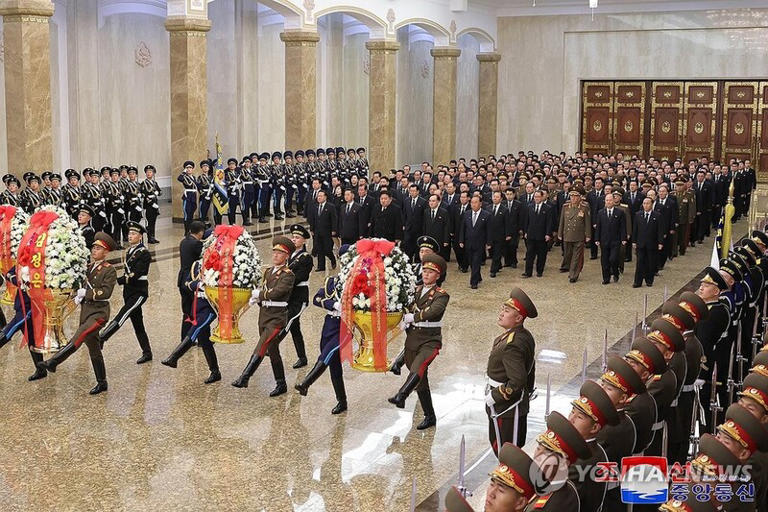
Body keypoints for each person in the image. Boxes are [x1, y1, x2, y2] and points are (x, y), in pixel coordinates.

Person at [39, 233, 118, 395]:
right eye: (94, 247)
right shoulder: (88, 267)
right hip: (86, 313)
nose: (94, 250)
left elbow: (106, 292)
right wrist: (77, 295)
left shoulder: (109, 270)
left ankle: (54, 362)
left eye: (98, 248)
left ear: (106, 252)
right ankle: (102, 382)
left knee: (79, 336)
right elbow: (79, 284)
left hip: (99, 314)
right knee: (94, 350)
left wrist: (86, 293)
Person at [388, 254, 449, 430]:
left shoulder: (441, 295)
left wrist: (412, 316)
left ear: (438, 276)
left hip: (430, 340)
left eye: (430, 272)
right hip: (413, 339)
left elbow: (433, 312)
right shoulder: (415, 290)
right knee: (421, 380)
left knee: (418, 368)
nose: (426, 274)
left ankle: (402, 395)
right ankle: (430, 416)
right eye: (424, 271)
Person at [232, 236, 295, 396]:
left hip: (277, 318)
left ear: (286, 256)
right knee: (273, 351)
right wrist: (256, 298)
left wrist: (260, 294)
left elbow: (279, 292)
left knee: (262, 345)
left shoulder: (288, 275)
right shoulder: (268, 271)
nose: (275, 255)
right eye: (274, 252)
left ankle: (245, 377)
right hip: (264, 316)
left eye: (280, 253)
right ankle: (281, 384)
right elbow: (265, 290)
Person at [294, 244, 351, 415]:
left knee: (326, 354)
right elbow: (317, 298)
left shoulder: (359, 283)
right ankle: (342, 401)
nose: (346, 263)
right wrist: (332, 303)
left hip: (345, 326)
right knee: (334, 365)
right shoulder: (332, 281)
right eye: (344, 259)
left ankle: (306, 383)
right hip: (329, 324)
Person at [486, 287, 537, 452]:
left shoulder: (513, 343)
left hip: (508, 408)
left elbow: (517, 380)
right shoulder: (520, 335)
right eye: (502, 309)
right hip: (513, 404)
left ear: (518, 318)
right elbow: (530, 366)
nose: (501, 313)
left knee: (505, 450)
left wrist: (495, 395)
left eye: (506, 311)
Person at [98, 221, 153, 364]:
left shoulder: (144, 253)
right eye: (129, 233)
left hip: (139, 292)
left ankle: (103, 337)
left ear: (140, 237)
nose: (130, 236)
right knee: (138, 324)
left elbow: (136, 274)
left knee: (123, 314)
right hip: (129, 292)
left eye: (134, 233)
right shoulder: (129, 251)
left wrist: (118, 280)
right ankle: (147, 352)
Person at [161, 260, 221, 384]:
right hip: (197, 306)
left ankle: (174, 357)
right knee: (205, 341)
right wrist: (199, 284)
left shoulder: (219, 265)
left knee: (195, 330)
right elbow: (187, 284)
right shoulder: (197, 264)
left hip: (211, 307)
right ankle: (215, 372)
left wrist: (206, 284)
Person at [272, 224, 314, 369]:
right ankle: (302, 357)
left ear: (304, 241)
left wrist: (282, 281)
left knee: (288, 321)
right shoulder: (289, 257)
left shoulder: (306, 257)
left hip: (299, 297)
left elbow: (299, 277)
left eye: (297, 238)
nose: (294, 239)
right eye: (293, 237)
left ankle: (271, 346)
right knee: (295, 328)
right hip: (288, 296)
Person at [0, 267, 46, 381]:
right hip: (21, 304)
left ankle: (41, 369)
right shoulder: (23, 259)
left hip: (31, 307)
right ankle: (41, 369)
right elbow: (9, 273)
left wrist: (25, 282)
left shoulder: (39, 260)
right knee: (31, 338)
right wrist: (18, 280)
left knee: (9, 330)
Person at [557, 186, 591, 283]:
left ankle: (573, 274)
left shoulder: (584, 207)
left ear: (580, 197)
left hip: (579, 235)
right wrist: (560, 233)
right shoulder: (565, 207)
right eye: (571, 196)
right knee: (567, 254)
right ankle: (569, 268)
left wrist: (588, 235)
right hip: (567, 234)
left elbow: (587, 222)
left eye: (576, 196)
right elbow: (562, 221)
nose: (573, 198)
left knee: (577, 256)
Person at [177, 220, 205, 340]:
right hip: (191, 281)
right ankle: (197, 337)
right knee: (197, 309)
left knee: (187, 310)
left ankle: (185, 337)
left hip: (182, 279)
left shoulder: (184, 242)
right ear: (200, 232)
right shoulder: (197, 244)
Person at [458, 195, 490, 289]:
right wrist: (461, 240)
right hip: (468, 242)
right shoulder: (467, 214)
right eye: (472, 202)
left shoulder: (486, 215)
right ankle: (478, 276)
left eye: (475, 202)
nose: (473, 204)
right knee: (471, 262)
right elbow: (463, 228)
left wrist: (489, 242)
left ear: (480, 203)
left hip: (480, 243)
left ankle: (473, 282)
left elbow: (489, 230)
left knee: (476, 262)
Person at [594, 192, 626, 284]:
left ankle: (615, 273)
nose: (608, 202)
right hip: (604, 240)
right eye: (607, 200)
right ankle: (606, 278)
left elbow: (622, 227)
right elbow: (598, 227)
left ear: (614, 201)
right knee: (604, 260)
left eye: (610, 200)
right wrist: (597, 239)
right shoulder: (600, 212)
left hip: (615, 240)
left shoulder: (620, 212)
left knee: (613, 259)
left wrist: (623, 238)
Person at [522, 190, 554, 278]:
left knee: (541, 255)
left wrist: (548, 234)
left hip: (542, 235)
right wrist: (525, 232)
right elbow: (526, 221)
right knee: (529, 254)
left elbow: (549, 222)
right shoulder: (530, 207)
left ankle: (539, 271)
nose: (536, 198)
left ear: (542, 197)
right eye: (535, 197)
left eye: (538, 197)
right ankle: (528, 272)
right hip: (531, 235)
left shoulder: (548, 208)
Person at [632, 197, 663, 288]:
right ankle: (637, 282)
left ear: (652, 204)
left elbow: (660, 230)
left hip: (652, 243)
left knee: (650, 262)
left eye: (648, 203)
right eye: (644, 203)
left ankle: (649, 280)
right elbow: (635, 229)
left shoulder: (657, 216)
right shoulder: (638, 215)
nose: (645, 205)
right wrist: (634, 241)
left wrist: (660, 242)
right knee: (640, 262)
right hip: (640, 243)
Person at [309, 189, 337, 272]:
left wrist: (334, 229)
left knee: (327, 249)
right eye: (318, 196)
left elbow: (334, 219)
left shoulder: (330, 207)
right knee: (319, 249)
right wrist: (312, 229)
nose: (319, 198)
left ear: (325, 197)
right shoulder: (315, 206)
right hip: (317, 231)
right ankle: (321, 266)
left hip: (327, 232)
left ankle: (332, 259)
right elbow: (313, 219)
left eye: (321, 196)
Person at [487, 191, 511, 278]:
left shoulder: (505, 210)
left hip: (500, 235)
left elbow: (507, 223)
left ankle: (493, 270)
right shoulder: (488, 208)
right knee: (492, 252)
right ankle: (498, 265)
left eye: (497, 197)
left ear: (501, 199)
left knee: (497, 253)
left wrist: (508, 234)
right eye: (494, 197)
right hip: (490, 235)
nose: (495, 198)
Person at [140, 164, 161, 244]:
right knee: (149, 222)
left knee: (153, 222)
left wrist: (158, 192)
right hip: (149, 205)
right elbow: (144, 195)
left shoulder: (154, 183)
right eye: (147, 172)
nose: (149, 174)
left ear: (153, 173)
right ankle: (149, 238)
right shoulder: (144, 183)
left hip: (155, 205)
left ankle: (153, 236)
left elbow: (160, 191)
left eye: (151, 172)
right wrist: (151, 203)